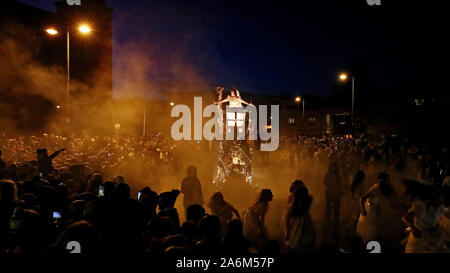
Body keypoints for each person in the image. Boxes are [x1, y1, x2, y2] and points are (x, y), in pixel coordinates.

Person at [401, 179, 448, 253]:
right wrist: (414, 228)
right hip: (422, 236)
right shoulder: (421, 205)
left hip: (434, 235)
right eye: (441, 198)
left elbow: (445, 215)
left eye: (444, 198)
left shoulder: (440, 207)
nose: (442, 200)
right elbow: (405, 217)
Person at [357, 172, 399, 246]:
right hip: (371, 212)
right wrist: (363, 209)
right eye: (388, 179)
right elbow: (363, 198)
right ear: (383, 180)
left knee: (379, 232)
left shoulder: (387, 188)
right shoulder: (376, 188)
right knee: (371, 232)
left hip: (380, 212)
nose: (389, 181)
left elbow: (393, 199)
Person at [281, 186, 316, 253]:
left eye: (305, 194)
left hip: (305, 223)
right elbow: (287, 218)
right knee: (296, 241)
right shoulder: (292, 207)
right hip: (297, 225)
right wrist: (287, 231)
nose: (304, 197)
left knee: (307, 240)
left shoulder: (306, 203)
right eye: (302, 195)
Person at [323, 162, 343, 237]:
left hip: (336, 194)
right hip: (329, 193)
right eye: (333, 166)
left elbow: (340, 183)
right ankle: (327, 221)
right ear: (330, 167)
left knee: (336, 209)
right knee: (328, 208)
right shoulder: (327, 174)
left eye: (335, 167)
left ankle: (335, 223)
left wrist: (341, 192)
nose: (334, 168)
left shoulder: (338, 175)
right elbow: (324, 183)